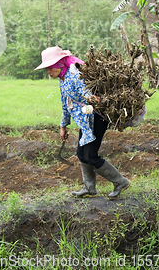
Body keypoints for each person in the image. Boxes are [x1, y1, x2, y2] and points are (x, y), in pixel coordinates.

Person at [35, 46, 130, 198]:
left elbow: (86, 94)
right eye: (46, 68)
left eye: (49, 67)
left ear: (59, 64)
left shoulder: (74, 75)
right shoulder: (63, 79)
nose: (48, 71)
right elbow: (65, 104)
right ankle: (89, 188)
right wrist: (63, 125)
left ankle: (120, 182)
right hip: (85, 121)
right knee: (81, 153)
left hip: (96, 118)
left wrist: (90, 100)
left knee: (91, 156)